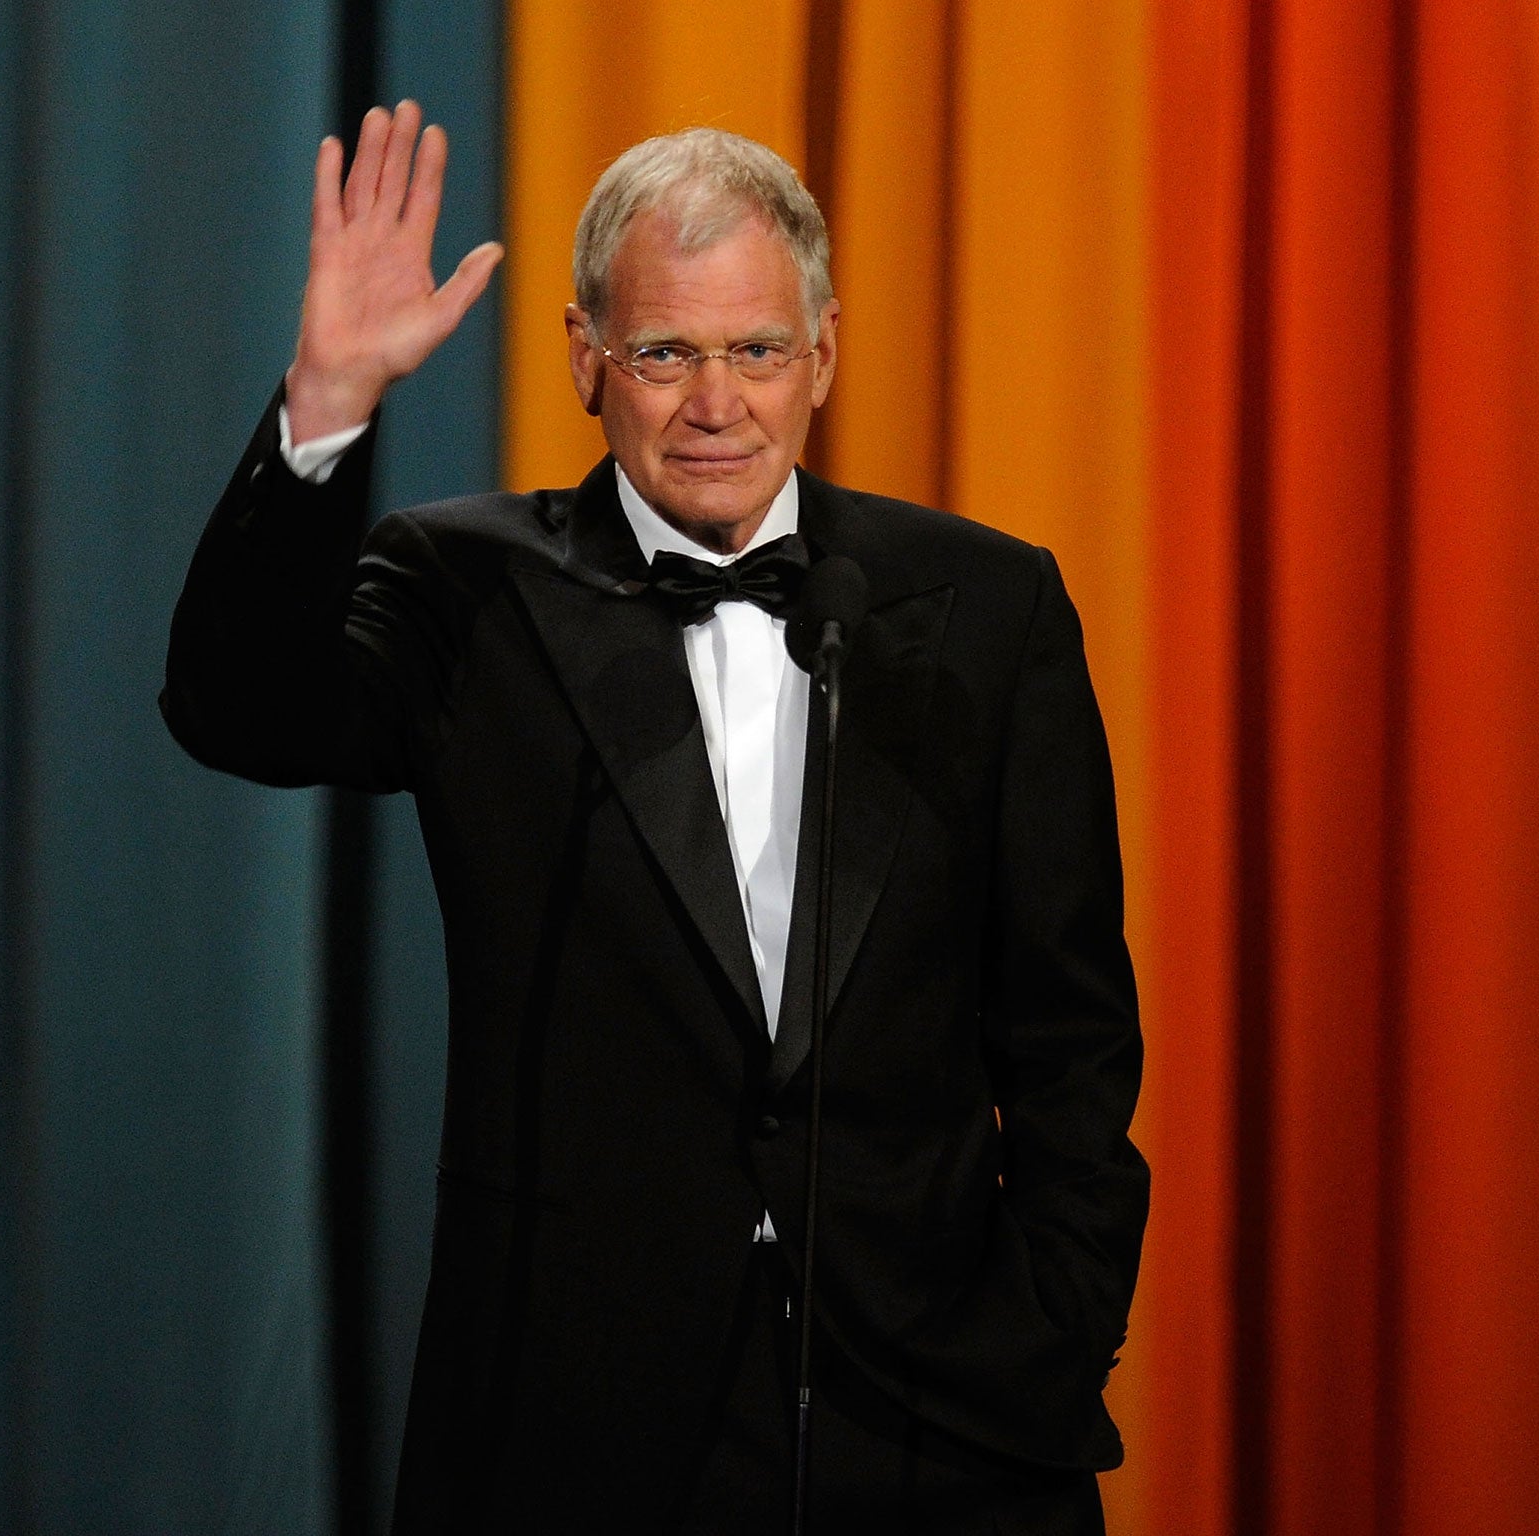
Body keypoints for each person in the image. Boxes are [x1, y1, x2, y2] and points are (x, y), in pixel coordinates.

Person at [163, 101, 1146, 1536]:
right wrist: (327, 406)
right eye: (665, 352)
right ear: (585, 358)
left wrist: (1050, 1329)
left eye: (754, 350)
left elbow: (1071, 1034)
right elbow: (235, 710)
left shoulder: (988, 606)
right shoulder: (467, 588)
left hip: (938, 1413)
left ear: (821, 352)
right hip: (576, 1427)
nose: (714, 401)